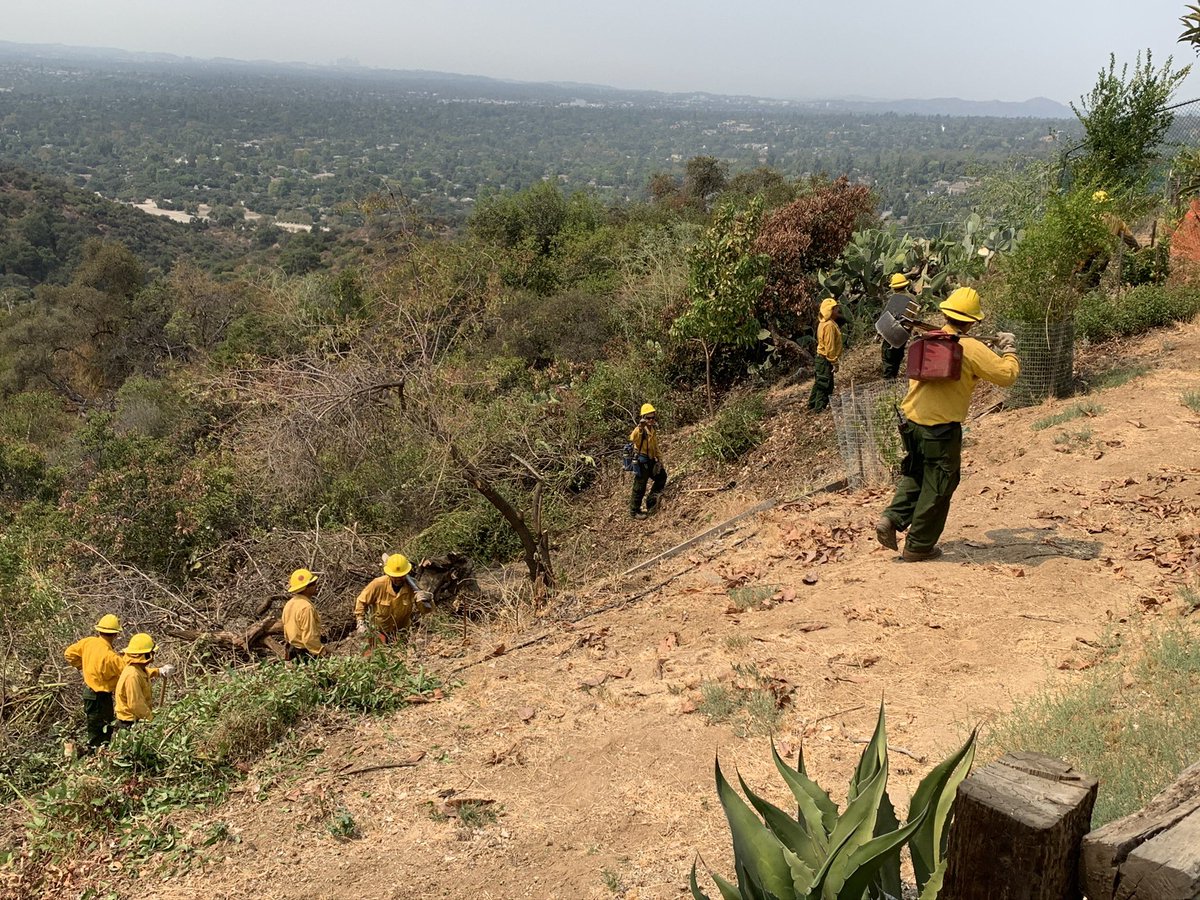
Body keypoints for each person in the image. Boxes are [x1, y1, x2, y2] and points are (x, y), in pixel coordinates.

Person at [875, 287, 1020, 561]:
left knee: (916, 473)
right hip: (940, 430)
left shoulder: (928, 338)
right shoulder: (972, 347)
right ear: (972, 321)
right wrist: (1010, 350)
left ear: (945, 313)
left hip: (911, 423)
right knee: (940, 484)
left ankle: (891, 519)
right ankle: (918, 546)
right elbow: (1006, 375)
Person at [64, 614, 127, 750]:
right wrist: (157, 671)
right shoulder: (111, 657)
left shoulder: (88, 642)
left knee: (95, 729)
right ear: (115, 634)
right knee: (102, 732)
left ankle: (95, 755)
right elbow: (130, 672)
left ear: (98, 631)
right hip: (101, 697)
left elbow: (69, 653)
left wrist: (82, 666)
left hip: (90, 694)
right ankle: (94, 757)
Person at [355, 554, 430, 641]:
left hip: (401, 633)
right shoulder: (378, 584)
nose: (398, 579)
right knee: (373, 653)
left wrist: (427, 599)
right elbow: (361, 601)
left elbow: (426, 611)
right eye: (395, 576)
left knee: (400, 654)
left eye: (401, 576)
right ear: (388, 574)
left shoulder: (413, 587)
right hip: (378, 632)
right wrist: (360, 622)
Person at [113, 633, 171, 729]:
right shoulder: (132, 676)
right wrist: (152, 720)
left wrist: (159, 671)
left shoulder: (138, 669)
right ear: (147, 655)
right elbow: (136, 705)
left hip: (138, 718)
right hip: (130, 722)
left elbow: (145, 673)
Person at [629, 403, 667, 519]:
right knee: (640, 487)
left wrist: (660, 460)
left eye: (652, 418)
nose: (651, 420)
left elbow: (655, 447)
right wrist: (640, 427)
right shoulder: (640, 430)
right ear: (643, 418)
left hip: (651, 460)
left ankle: (651, 501)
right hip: (642, 462)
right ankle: (634, 511)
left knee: (662, 477)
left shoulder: (652, 429)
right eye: (648, 418)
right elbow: (633, 438)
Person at [807, 298, 844, 412]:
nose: (838, 309)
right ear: (830, 310)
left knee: (820, 382)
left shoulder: (825, 323)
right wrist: (834, 362)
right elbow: (830, 347)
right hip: (825, 360)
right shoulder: (828, 326)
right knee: (825, 384)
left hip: (822, 359)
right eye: (835, 308)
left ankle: (812, 405)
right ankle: (819, 409)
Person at [282, 568, 324, 662]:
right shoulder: (306, 607)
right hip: (305, 653)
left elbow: (286, 631)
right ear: (306, 588)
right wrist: (322, 652)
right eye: (312, 584)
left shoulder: (289, 604)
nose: (315, 586)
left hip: (291, 649)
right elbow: (309, 637)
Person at [882, 273, 912, 379]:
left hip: (892, 333)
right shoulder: (912, 297)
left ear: (894, 287)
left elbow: (886, 318)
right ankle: (893, 379)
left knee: (888, 358)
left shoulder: (896, 299)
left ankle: (888, 383)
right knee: (898, 355)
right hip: (904, 333)